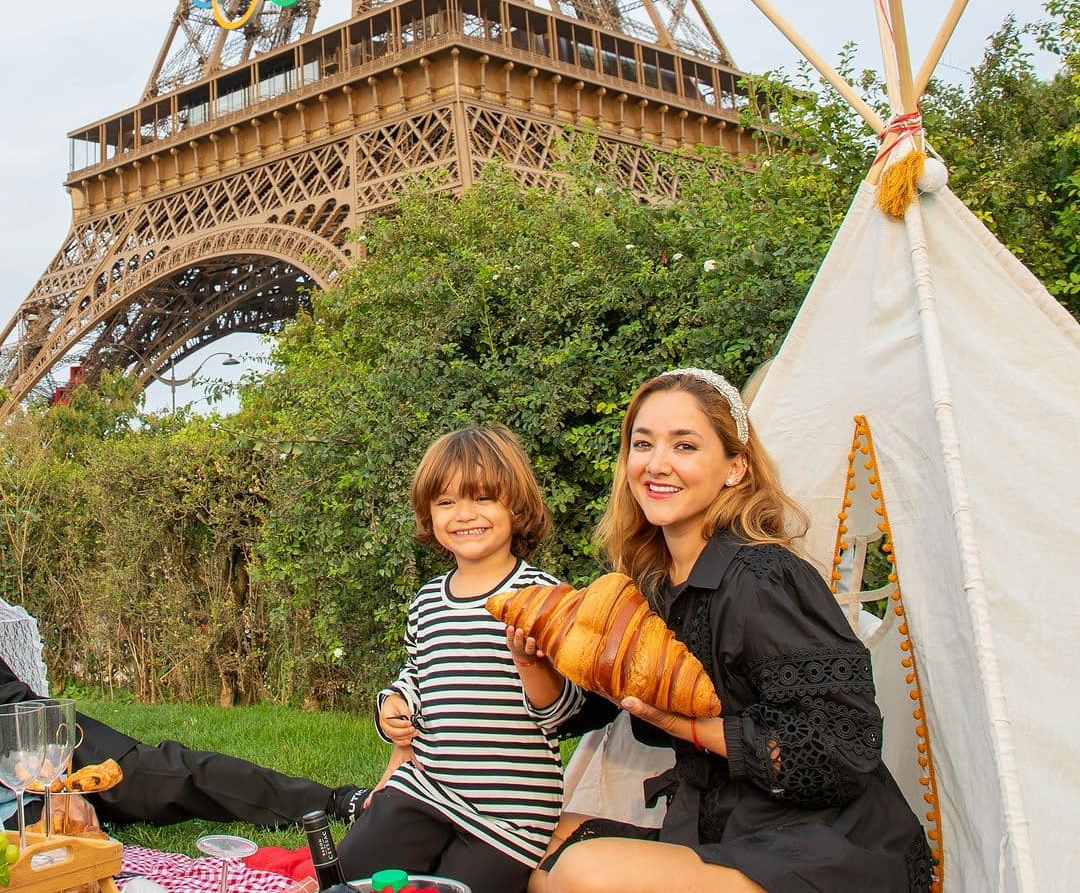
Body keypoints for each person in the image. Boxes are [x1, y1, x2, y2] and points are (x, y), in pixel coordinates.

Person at [515, 368, 934, 893]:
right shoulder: (651, 584)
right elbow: (594, 707)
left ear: (735, 467)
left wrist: (682, 724)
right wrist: (533, 656)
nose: (656, 464)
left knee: (582, 874)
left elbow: (843, 749)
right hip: (724, 828)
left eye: (684, 445)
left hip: (827, 846)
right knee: (532, 844)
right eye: (642, 444)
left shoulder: (762, 577)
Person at [337, 425, 584, 893]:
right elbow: (418, 672)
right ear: (429, 515)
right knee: (349, 877)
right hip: (427, 788)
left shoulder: (544, 597)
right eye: (446, 502)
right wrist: (393, 703)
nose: (464, 515)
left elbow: (564, 713)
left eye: (483, 498)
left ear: (517, 506)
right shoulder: (428, 601)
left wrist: (529, 663)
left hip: (509, 812)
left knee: (459, 887)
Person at [0, 656, 364, 829]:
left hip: (56, 757)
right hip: (11, 818)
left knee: (175, 774)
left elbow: (15, 703)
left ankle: (332, 802)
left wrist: (55, 788)